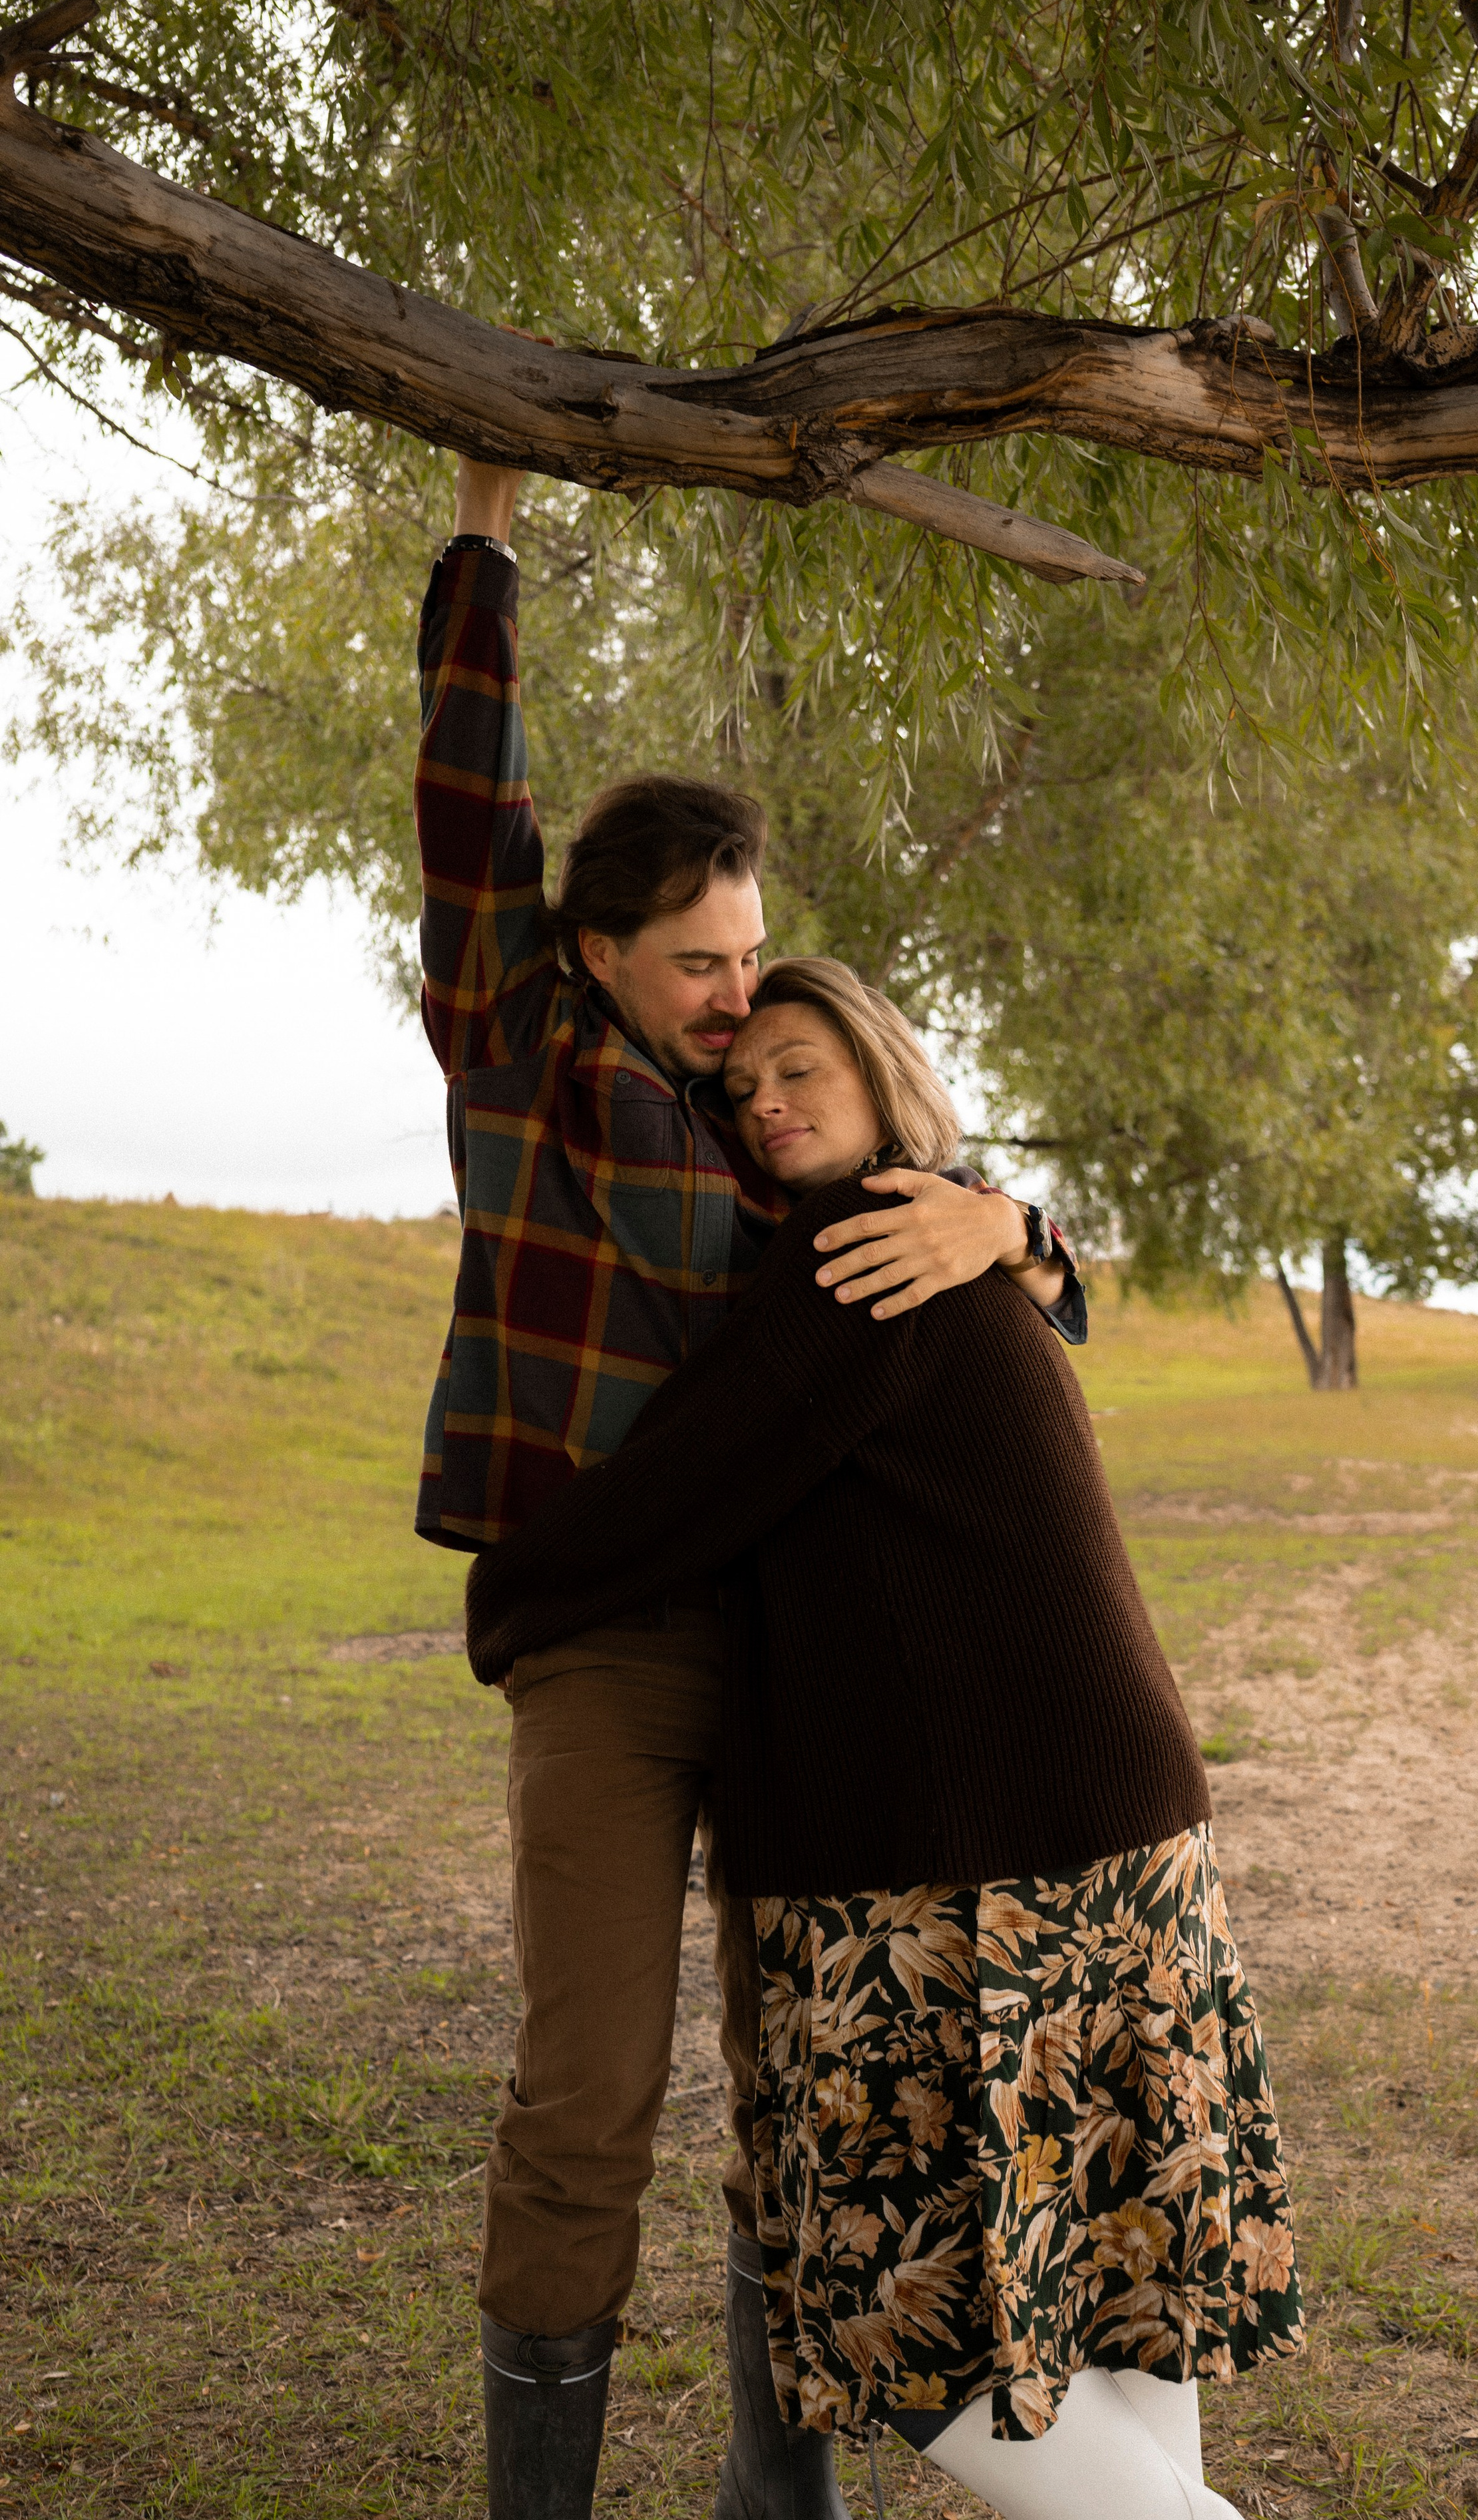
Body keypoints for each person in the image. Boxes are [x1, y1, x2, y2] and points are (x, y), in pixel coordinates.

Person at [415, 461, 1090, 2520]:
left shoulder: (785, 1127)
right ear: (601, 952)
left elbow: (985, 1276)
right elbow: (470, 807)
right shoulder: (523, 1054)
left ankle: (767, 2503)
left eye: (755, 959)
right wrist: (486, 522)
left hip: (810, 1652)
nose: (737, 998)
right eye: (701, 962)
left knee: (790, 2097)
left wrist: (1018, 1232)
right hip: (616, 1654)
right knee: (592, 2094)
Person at [464, 957, 1304, 2520]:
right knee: (1113, 2279)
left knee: (908, 2341)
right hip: (1112, 1836)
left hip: (971, 1867)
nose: (765, 1098)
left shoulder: (858, 1255)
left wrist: (506, 1593)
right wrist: (1024, 1228)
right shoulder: (944, 1228)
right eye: (741, 1085)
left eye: (802, 1068)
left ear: (883, 1075)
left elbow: (683, 1482)